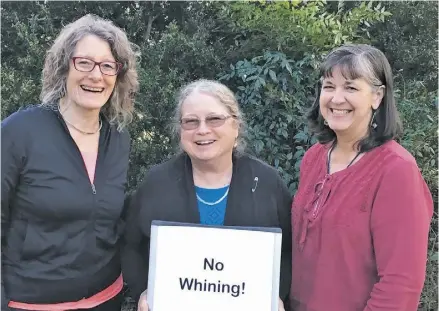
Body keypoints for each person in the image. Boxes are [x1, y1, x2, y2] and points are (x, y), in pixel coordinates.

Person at [1, 14, 139, 311]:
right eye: (84, 62)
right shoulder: (19, 132)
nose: (96, 75)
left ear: (118, 77)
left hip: (106, 298)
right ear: (64, 67)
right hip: (30, 302)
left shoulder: (118, 139)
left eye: (107, 66)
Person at [122, 79, 292, 311]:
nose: (202, 129)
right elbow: (131, 245)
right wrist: (146, 290)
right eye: (191, 121)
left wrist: (275, 295)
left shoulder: (266, 182)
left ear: (236, 126)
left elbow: (289, 252)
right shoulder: (157, 182)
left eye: (214, 119)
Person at [289, 44, 433, 311]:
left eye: (351, 88)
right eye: (329, 86)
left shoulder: (396, 170)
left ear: (377, 97)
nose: (336, 98)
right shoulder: (313, 158)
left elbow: (400, 284)